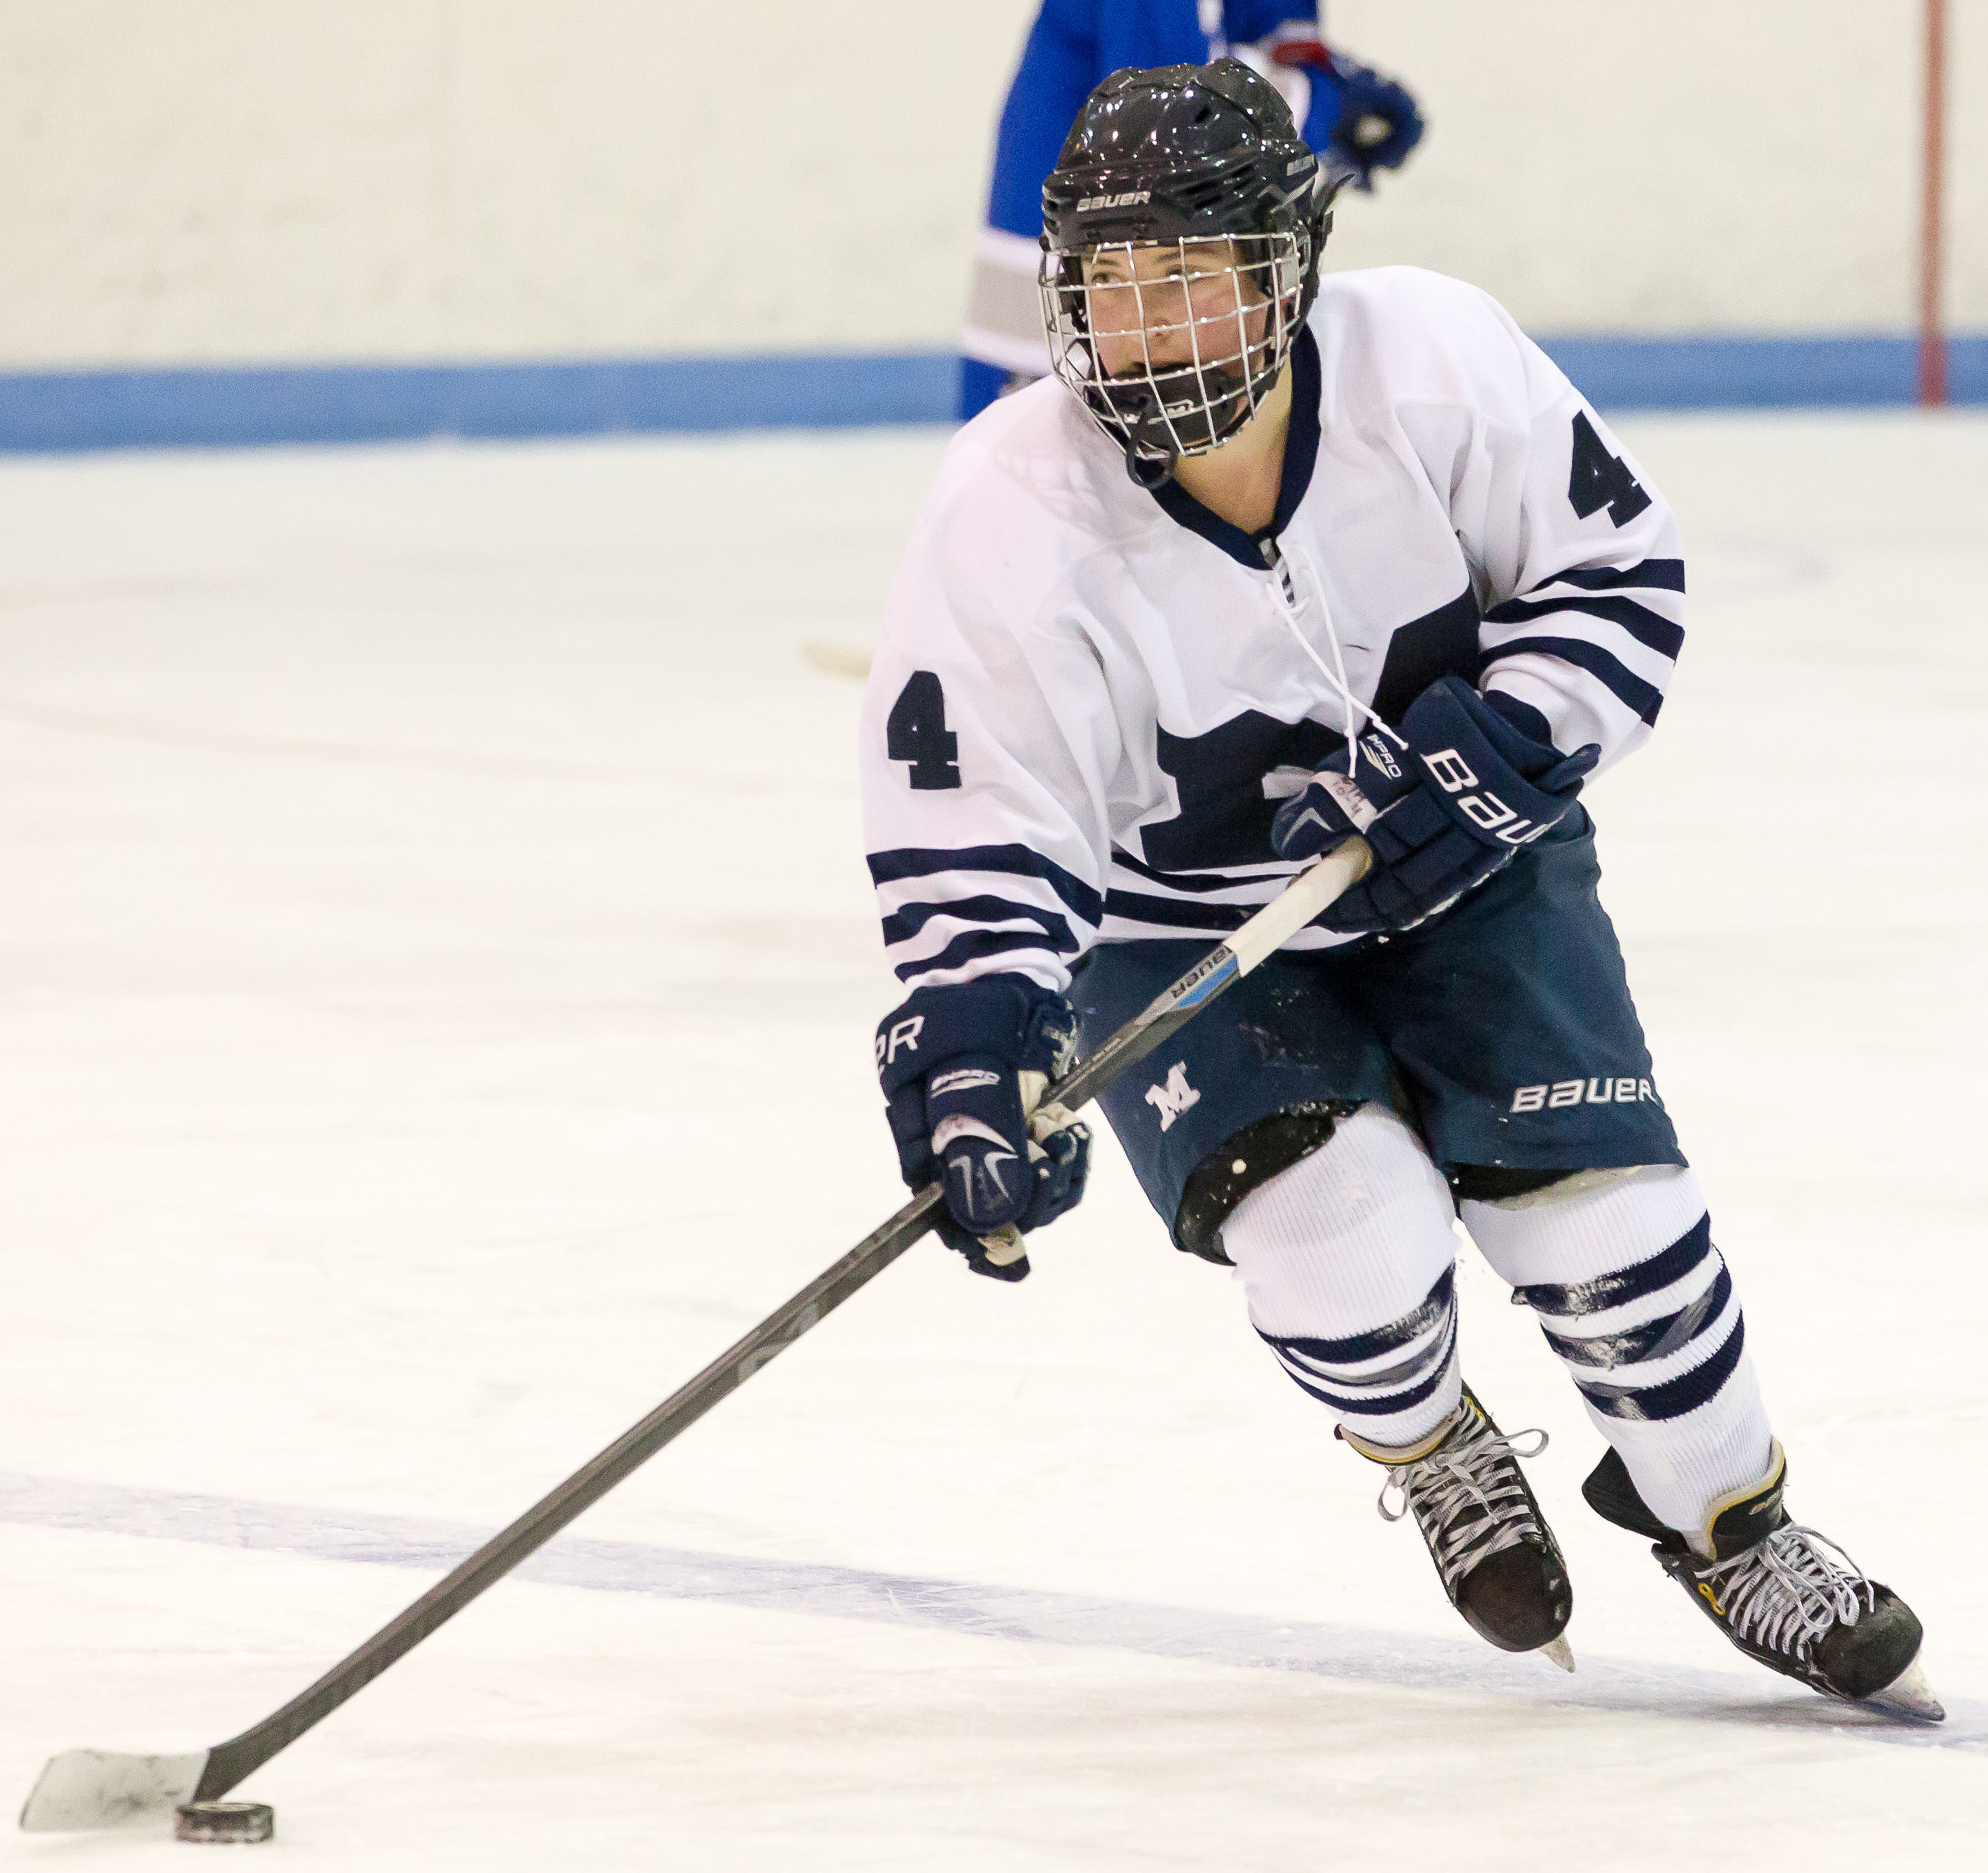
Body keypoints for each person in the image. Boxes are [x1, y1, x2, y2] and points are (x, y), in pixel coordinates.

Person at [863, 58, 1942, 1719]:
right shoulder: (1007, 504)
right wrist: (973, 1047)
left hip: (1474, 869)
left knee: (1611, 1236)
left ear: (1287, 269)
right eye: (1112, 283)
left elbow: (1615, 573)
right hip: (1184, 925)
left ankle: (1727, 1521)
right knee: (1336, 1241)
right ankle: (1434, 1441)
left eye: (1191, 275)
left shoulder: (1432, 358)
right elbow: (977, 821)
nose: (1146, 330)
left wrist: (1506, 746)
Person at [960, 1, 1422, 420]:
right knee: (1038, 464)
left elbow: (1264, 34)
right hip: (1077, 292)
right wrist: (1327, 104)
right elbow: (1173, 109)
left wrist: (1324, 77)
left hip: (1136, 280)